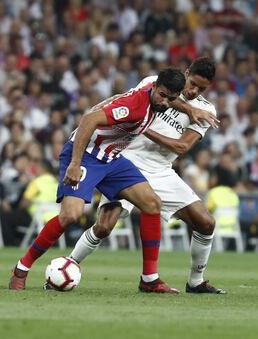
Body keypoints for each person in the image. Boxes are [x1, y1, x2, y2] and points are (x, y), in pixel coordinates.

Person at [9, 67, 186, 290]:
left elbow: (170, 98)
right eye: (163, 95)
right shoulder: (134, 107)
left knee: (152, 204)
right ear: (155, 87)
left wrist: (190, 110)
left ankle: (149, 279)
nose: (165, 103)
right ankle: (21, 269)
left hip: (112, 159)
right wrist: (75, 163)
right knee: (70, 216)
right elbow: (89, 119)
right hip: (86, 156)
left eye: (171, 99)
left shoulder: (155, 94)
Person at [66, 58, 226, 294]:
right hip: (126, 161)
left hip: (161, 171)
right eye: (192, 83)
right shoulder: (155, 82)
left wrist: (143, 127)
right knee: (104, 226)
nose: (193, 91)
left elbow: (181, 148)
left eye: (201, 89)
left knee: (206, 222)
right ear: (186, 72)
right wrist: (143, 123)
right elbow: (159, 103)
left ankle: (196, 282)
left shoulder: (207, 111)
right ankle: (69, 265)